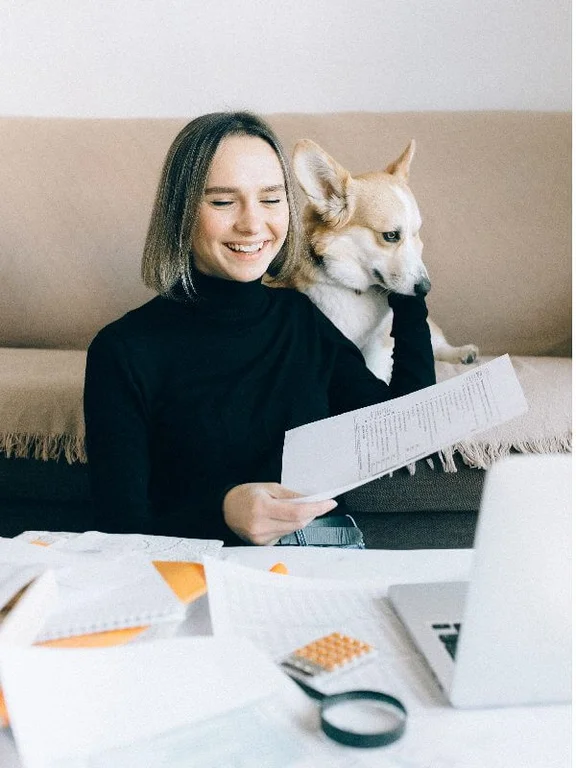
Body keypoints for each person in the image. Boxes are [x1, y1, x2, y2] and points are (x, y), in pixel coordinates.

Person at [83, 111, 435, 547]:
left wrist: (408, 289)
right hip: (195, 561)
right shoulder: (123, 350)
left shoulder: (302, 320)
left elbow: (404, 428)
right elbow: (117, 529)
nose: (253, 224)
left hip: (324, 553)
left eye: (271, 199)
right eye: (223, 201)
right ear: (181, 212)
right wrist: (224, 511)